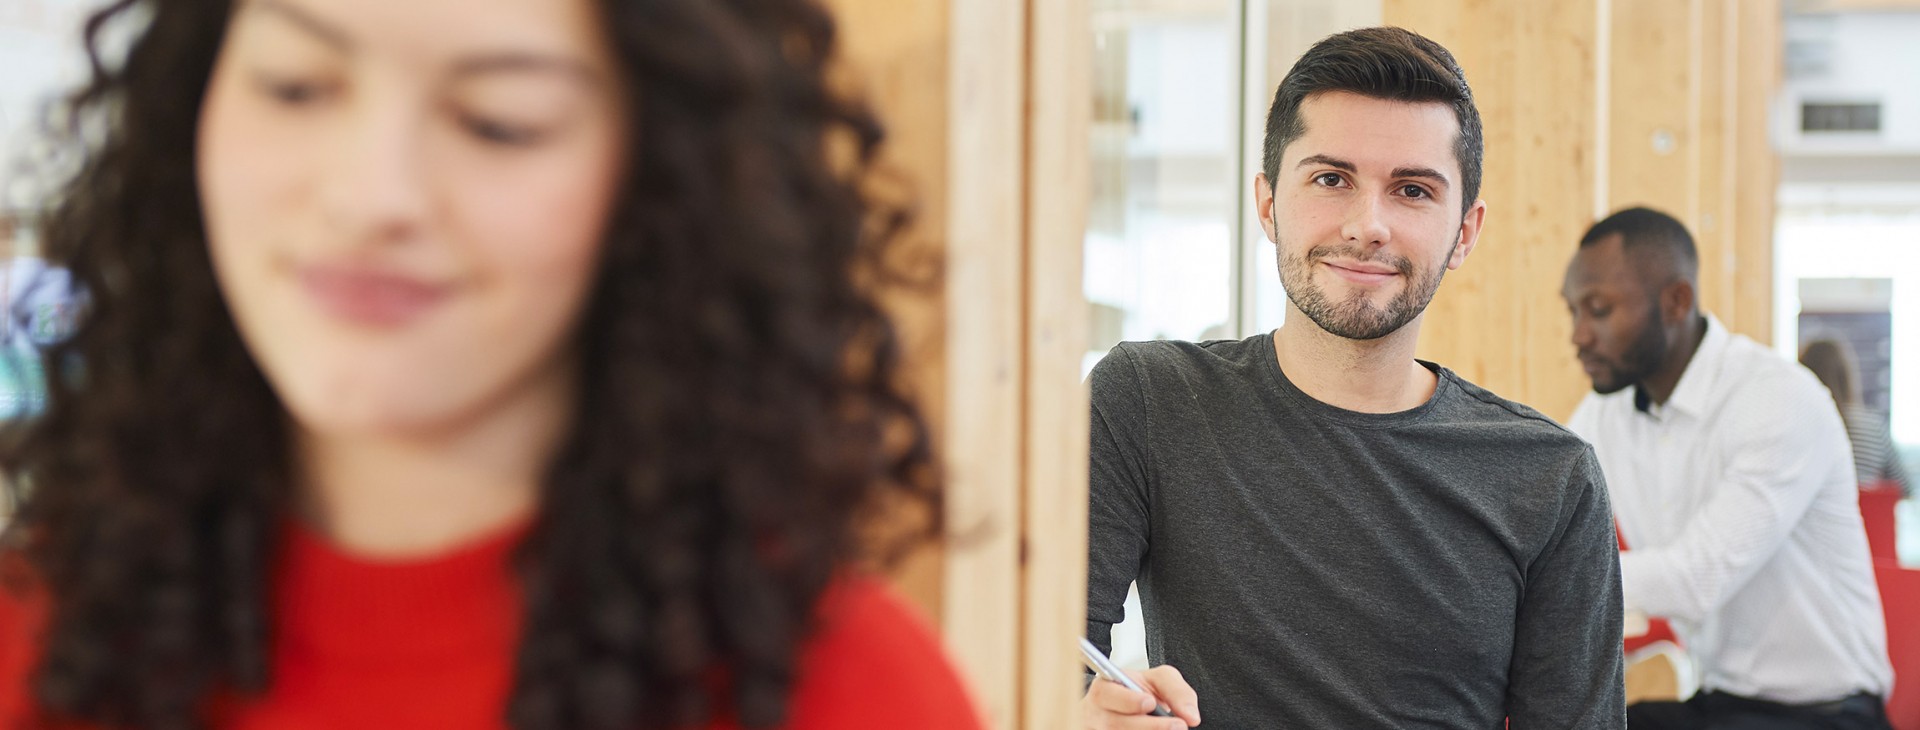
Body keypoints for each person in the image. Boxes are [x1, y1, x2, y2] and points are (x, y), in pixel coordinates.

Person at [0, 0, 984, 728]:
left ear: (660, 178)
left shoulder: (847, 693)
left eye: (499, 120)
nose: (370, 194)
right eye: (296, 85)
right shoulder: (35, 637)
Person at [1082, 26, 1626, 729]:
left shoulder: (1553, 478)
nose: (1368, 225)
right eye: (1331, 179)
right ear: (1269, 203)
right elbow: (1036, 662)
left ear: (1465, 231)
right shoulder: (1150, 402)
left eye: (1412, 190)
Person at [1563, 207, 1893, 729]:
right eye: (1573, 311)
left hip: (1829, 713)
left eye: (1598, 310)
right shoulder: (1607, 412)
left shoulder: (1777, 397)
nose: (1579, 335)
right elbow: (1538, 503)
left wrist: (1547, 576)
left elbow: (1697, 580)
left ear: (1676, 302)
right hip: (1723, 700)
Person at [1801, 338, 1913, 496]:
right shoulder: (1873, 425)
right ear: (1846, 375)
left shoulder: (1803, 425)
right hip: (1869, 519)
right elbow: (1904, 488)